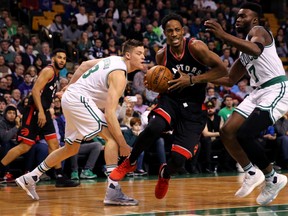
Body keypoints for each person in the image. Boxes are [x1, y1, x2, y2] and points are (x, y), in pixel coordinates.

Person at [110, 13, 227, 200]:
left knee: (178, 160)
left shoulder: (196, 47)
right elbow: (163, 79)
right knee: (155, 126)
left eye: (177, 30)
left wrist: (191, 79)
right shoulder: (161, 54)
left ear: (183, 31)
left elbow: (222, 70)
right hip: (171, 101)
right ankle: (130, 161)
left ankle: (165, 174)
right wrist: (154, 83)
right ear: (164, 33)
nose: (173, 34)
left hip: (194, 108)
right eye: (169, 30)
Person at [15, 39, 146, 205]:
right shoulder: (119, 74)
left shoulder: (112, 59)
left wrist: (68, 87)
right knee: (112, 139)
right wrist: (123, 144)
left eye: (144, 54)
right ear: (128, 55)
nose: (143, 57)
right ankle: (113, 191)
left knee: (71, 148)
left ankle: (30, 177)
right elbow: (110, 114)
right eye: (139, 53)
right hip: (79, 100)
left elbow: (84, 65)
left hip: (73, 99)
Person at [204, 2, 288, 205]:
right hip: (257, 92)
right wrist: (196, 78)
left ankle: (272, 177)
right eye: (238, 16)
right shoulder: (244, 51)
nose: (238, 19)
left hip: (276, 89)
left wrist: (223, 36)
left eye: (243, 16)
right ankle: (251, 172)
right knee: (227, 132)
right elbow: (229, 80)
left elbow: (256, 49)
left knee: (245, 133)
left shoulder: (259, 31)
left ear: (255, 20)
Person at [0, 49, 79, 187]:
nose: (62, 60)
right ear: (53, 58)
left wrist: (58, 94)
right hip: (35, 112)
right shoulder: (48, 70)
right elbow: (35, 90)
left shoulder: (56, 73)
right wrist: (41, 112)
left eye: (64, 58)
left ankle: (59, 176)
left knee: (54, 144)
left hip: (44, 112)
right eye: (59, 57)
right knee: (24, 146)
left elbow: (45, 94)